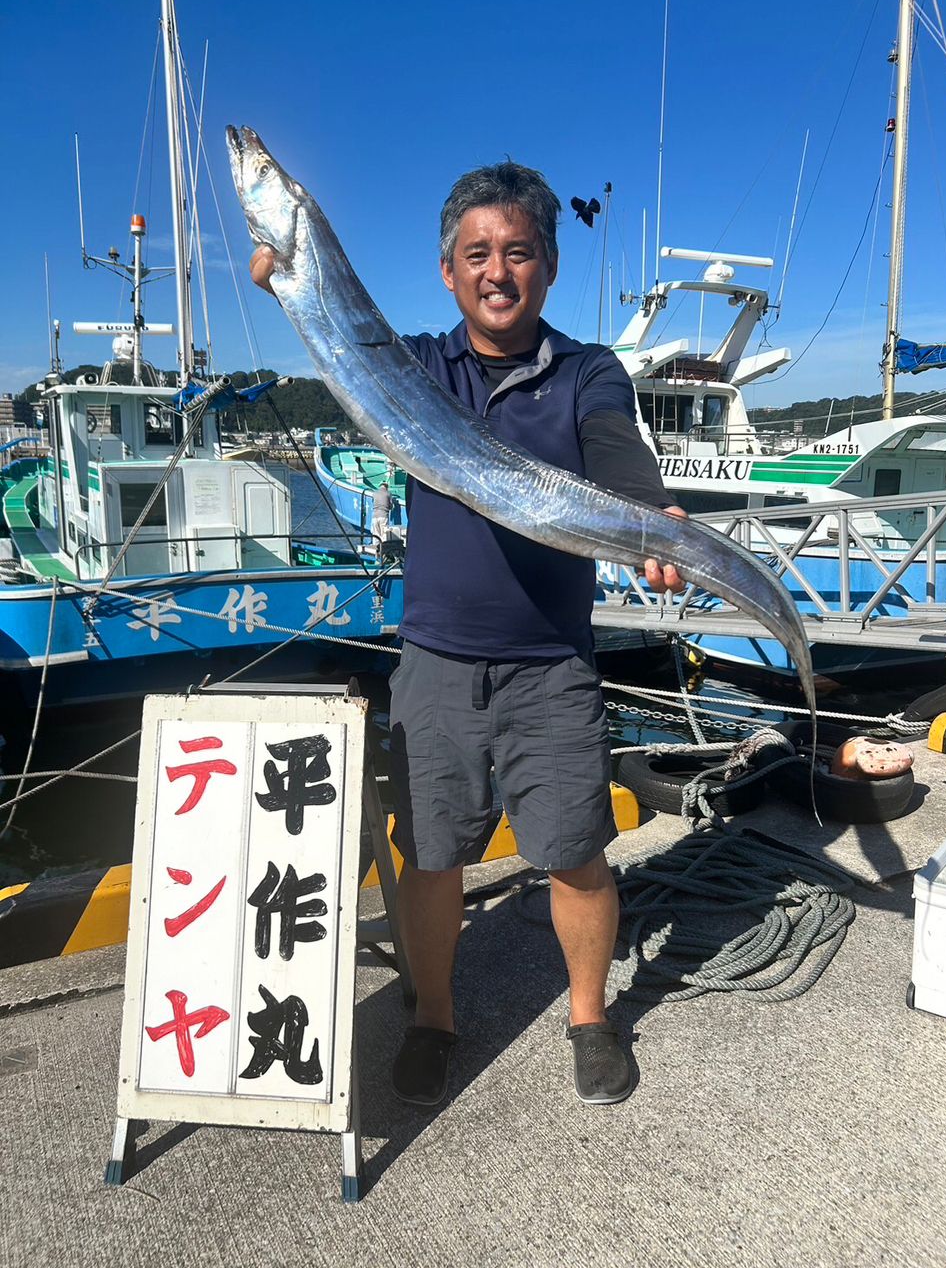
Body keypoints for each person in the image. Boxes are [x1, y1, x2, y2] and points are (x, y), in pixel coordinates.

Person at [250, 161, 686, 1107]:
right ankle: (433, 1018)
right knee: (435, 853)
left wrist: (652, 512)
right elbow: (343, 348)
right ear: (448, 272)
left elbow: (614, 445)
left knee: (575, 849)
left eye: (518, 251)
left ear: (550, 265)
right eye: (477, 254)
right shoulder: (412, 369)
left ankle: (589, 1017)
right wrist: (292, 289)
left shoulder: (586, 373)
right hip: (437, 663)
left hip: (551, 667)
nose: (498, 271)